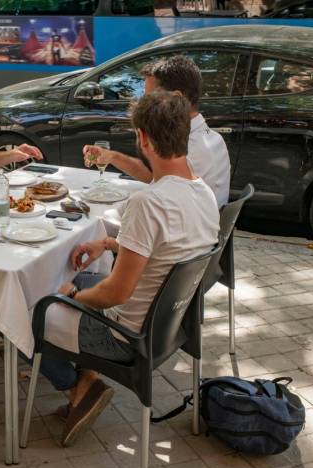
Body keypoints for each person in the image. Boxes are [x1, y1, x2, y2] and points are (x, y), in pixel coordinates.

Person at [34, 90, 220, 447]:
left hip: (124, 336)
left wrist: (71, 295)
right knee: (79, 277)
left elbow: (114, 293)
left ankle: (77, 387)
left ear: (143, 138)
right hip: (168, 326)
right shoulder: (202, 192)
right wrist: (108, 244)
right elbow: (170, 249)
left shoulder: (148, 201)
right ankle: (84, 376)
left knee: (29, 303)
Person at [83, 56, 231, 208]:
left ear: (176, 98)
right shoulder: (212, 138)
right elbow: (155, 176)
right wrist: (112, 156)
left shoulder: (193, 147)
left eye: (150, 97)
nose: (144, 103)